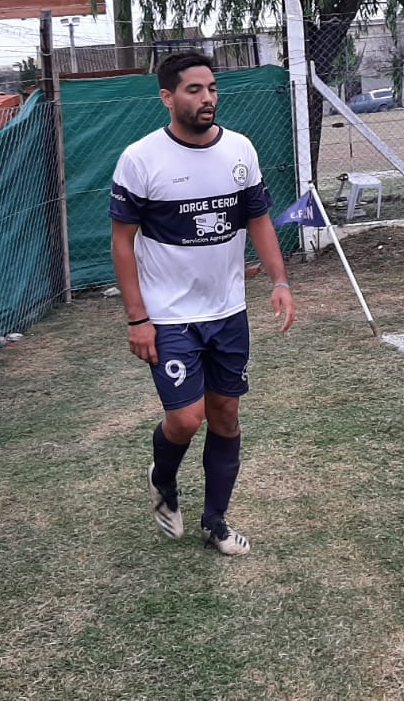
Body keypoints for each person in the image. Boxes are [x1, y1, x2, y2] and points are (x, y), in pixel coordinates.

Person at [109, 51, 296, 557]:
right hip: (169, 316)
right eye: (194, 90)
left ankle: (215, 522)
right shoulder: (140, 159)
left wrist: (279, 280)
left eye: (211, 88)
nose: (207, 98)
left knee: (226, 415)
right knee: (186, 419)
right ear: (167, 98)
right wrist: (137, 318)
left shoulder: (240, 149)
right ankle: (163, 477)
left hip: (227, 312)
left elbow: (259, 220)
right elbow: (122, 243)